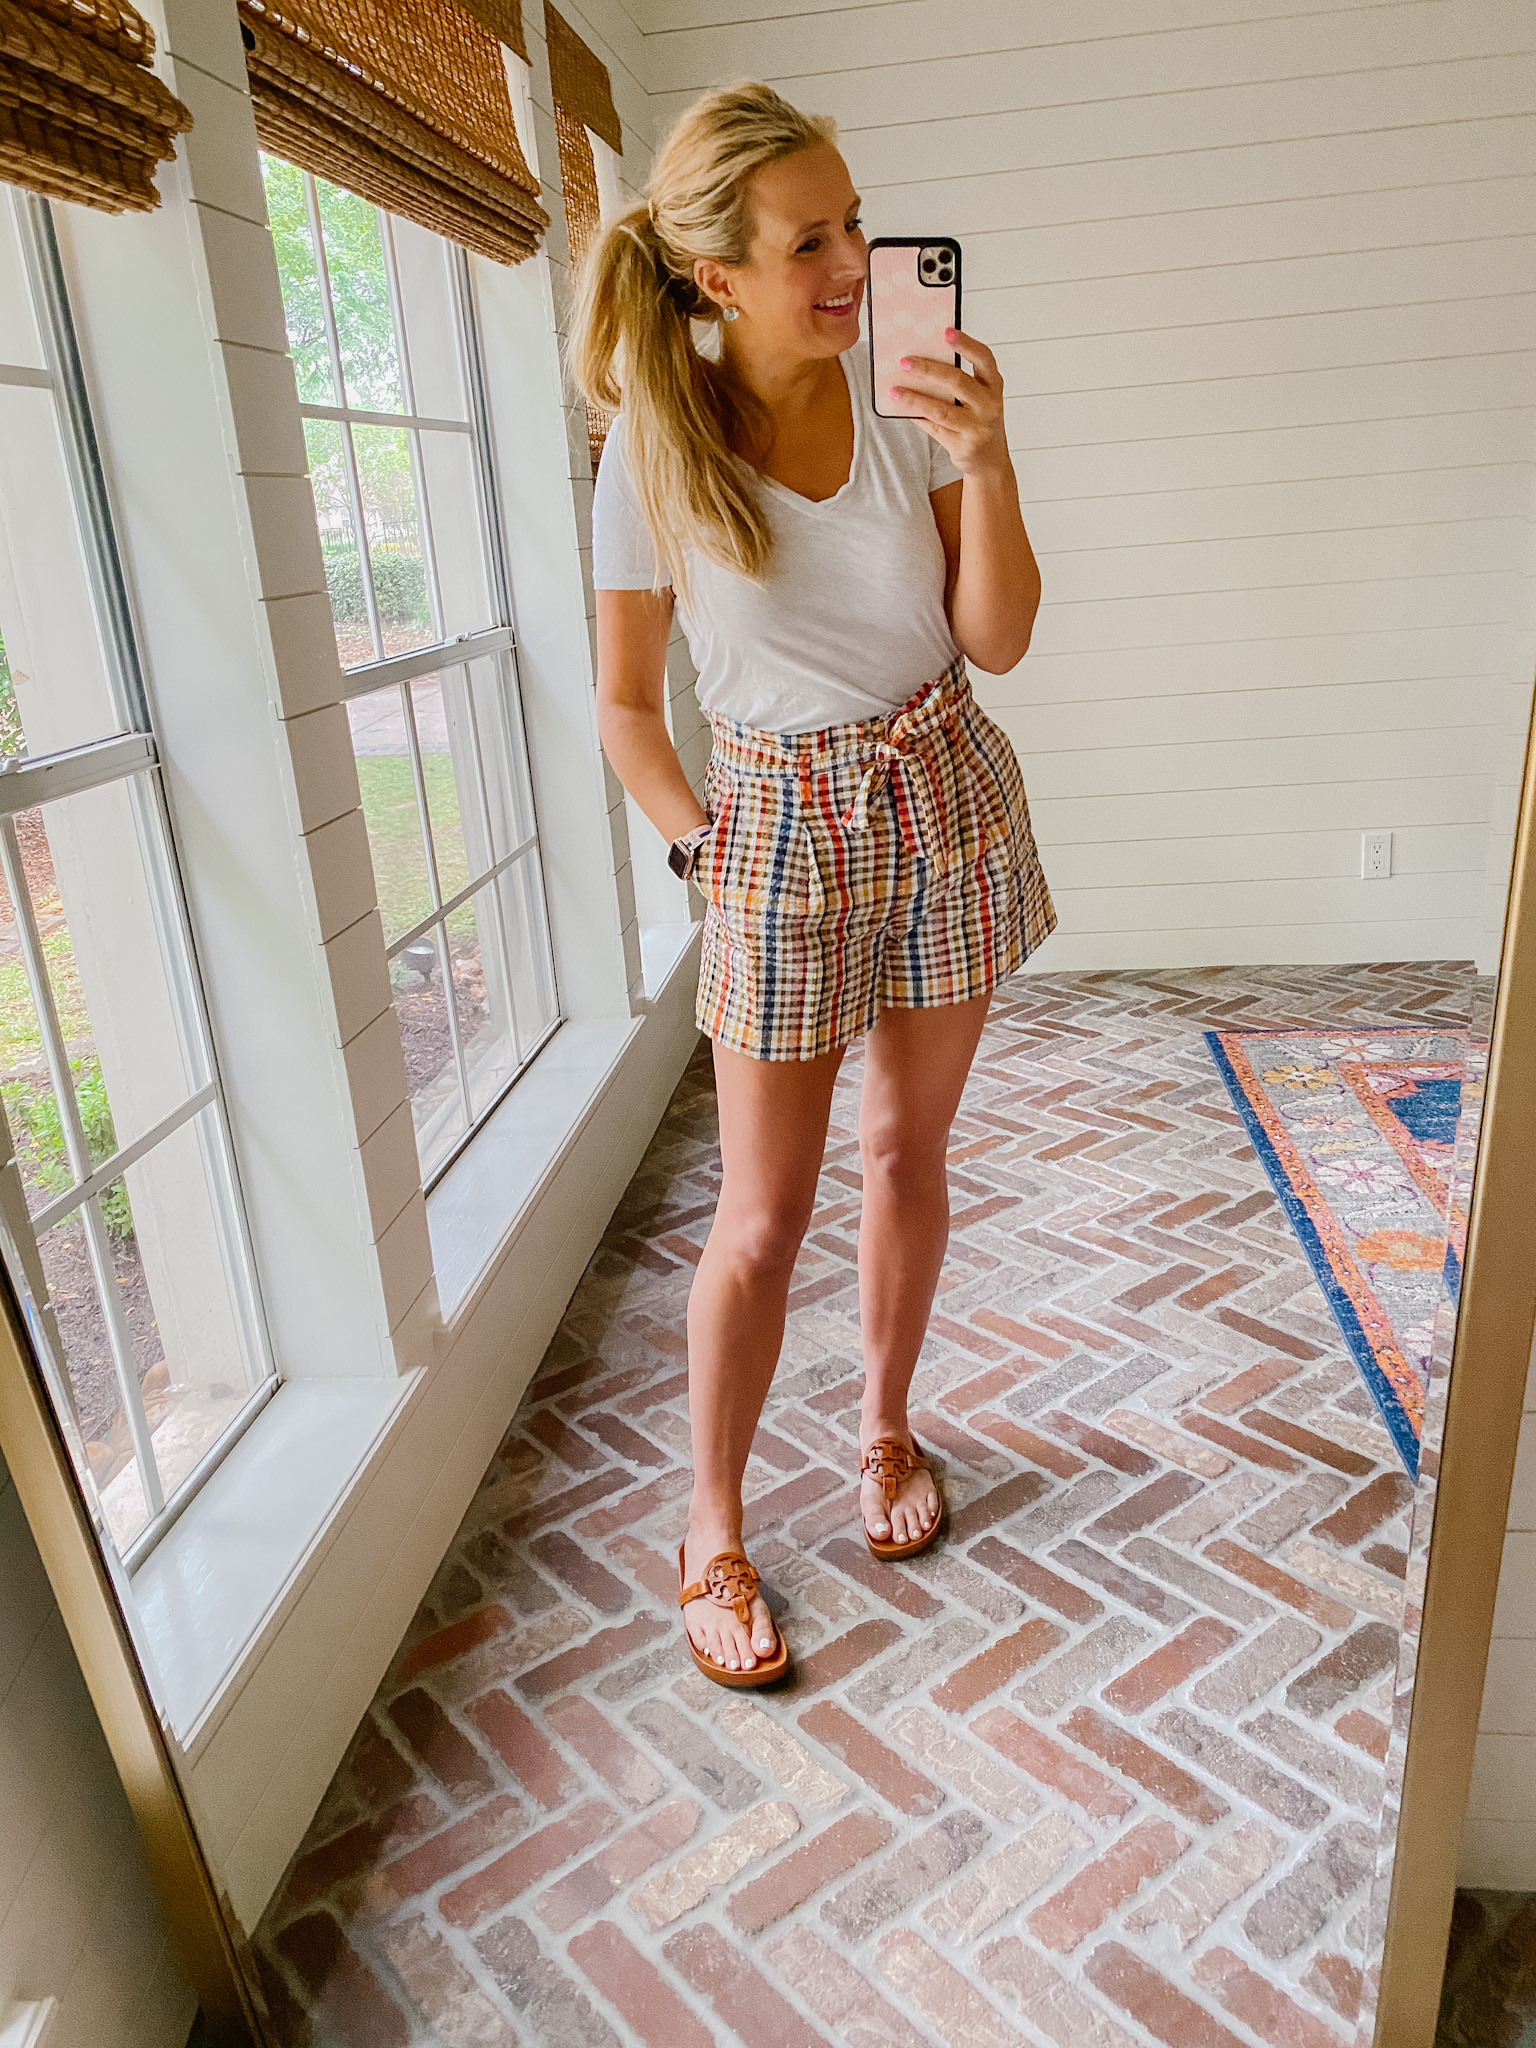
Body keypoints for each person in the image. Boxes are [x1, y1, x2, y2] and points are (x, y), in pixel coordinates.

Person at [573, 79, 1055, 1687]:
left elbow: (994, 639)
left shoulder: (911, 395)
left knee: (909, 1149)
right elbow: (629, 710)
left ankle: (884, 1432)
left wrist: (989, 459)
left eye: (855, 222)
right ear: (717, 276)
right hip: (774, 829)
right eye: (812, 240)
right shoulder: (651, 456)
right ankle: (710, 1526)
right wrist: (705, 846)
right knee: (763, 1217)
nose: (853, 259)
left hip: (945, 789)